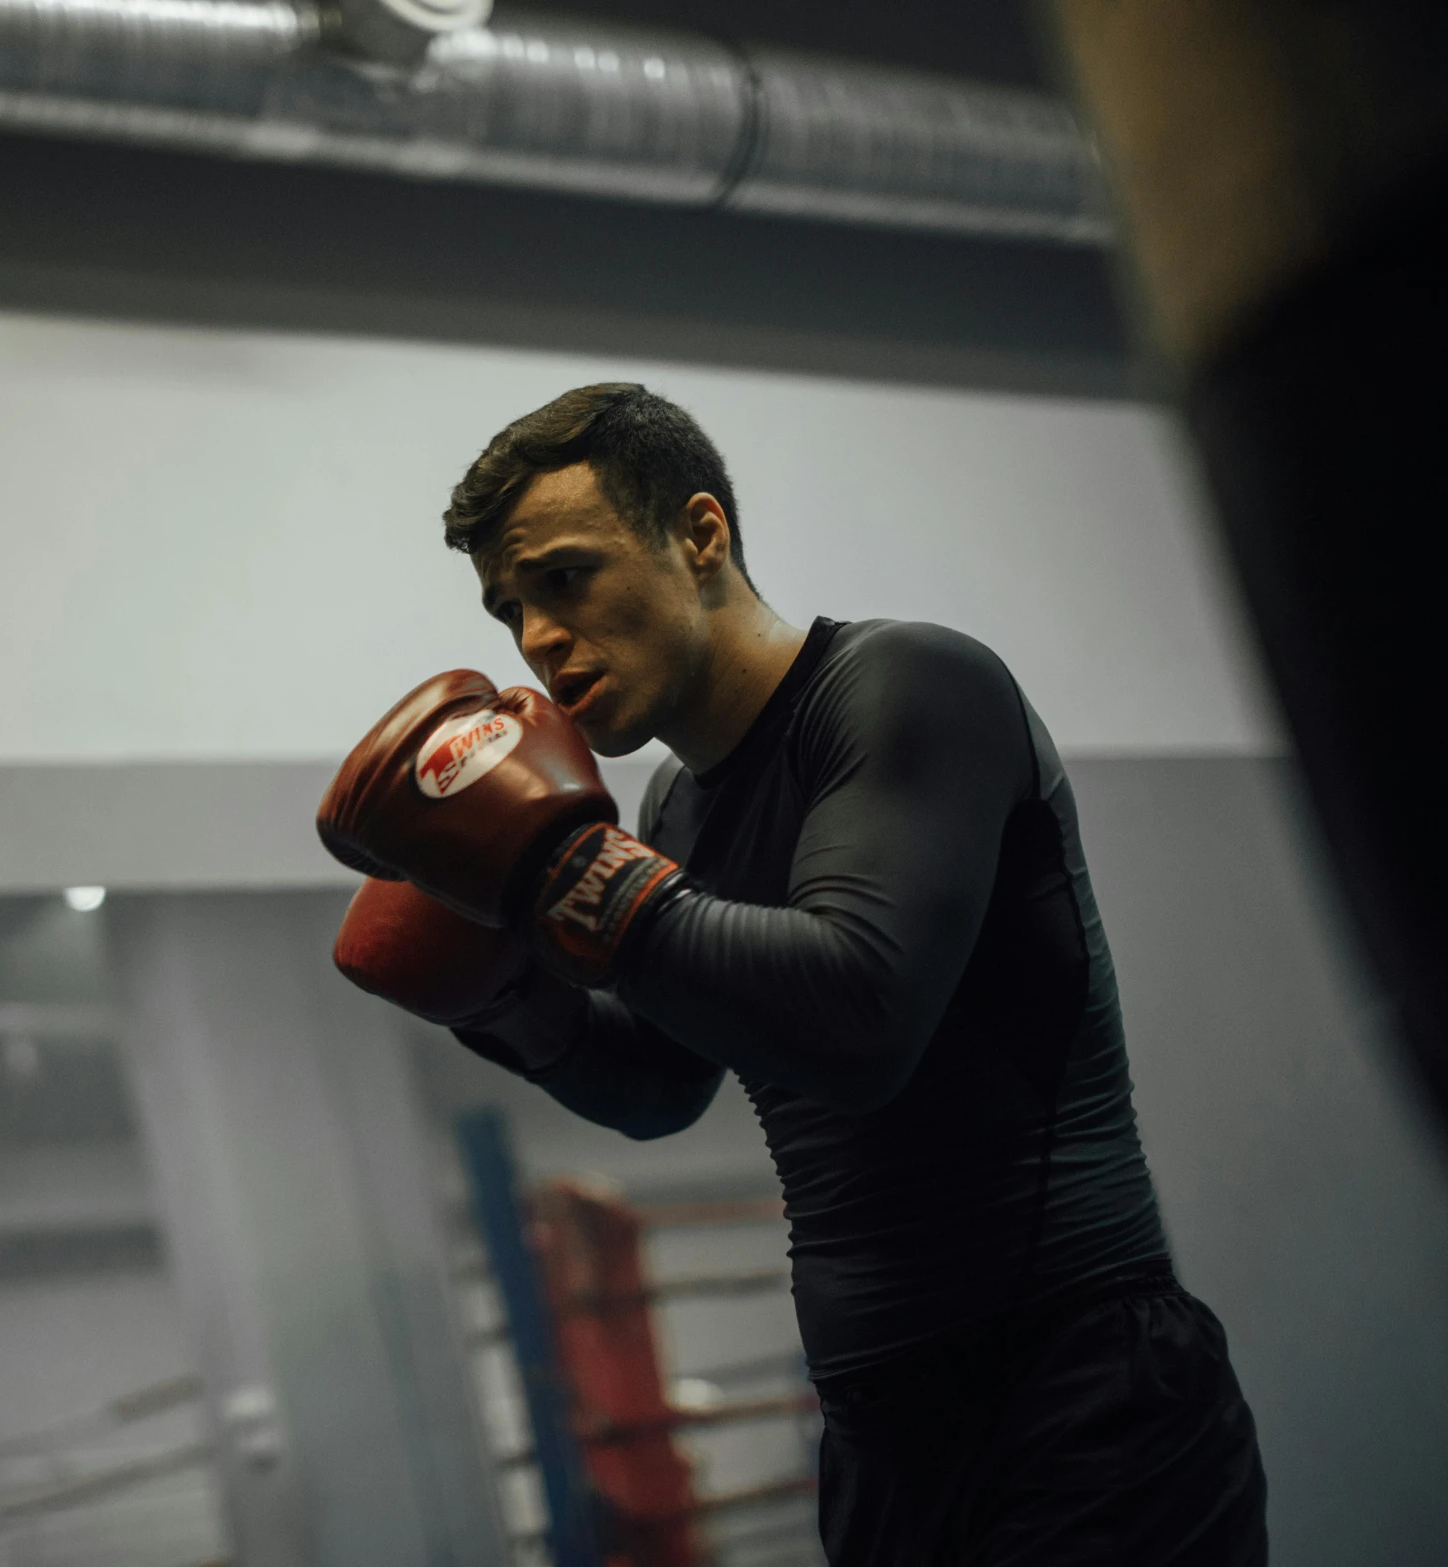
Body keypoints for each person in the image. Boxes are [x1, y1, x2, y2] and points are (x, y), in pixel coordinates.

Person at [320, 384, 1268, 1565]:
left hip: (1081, 1393)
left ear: (698, 536)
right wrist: (506, 995)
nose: (537, 640)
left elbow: (858, 1016)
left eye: (563, 578)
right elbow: (664, 1084)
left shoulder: (908, 687)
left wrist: (558, 867)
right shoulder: (675, 804)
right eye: (511, 610)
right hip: (876, 1434)